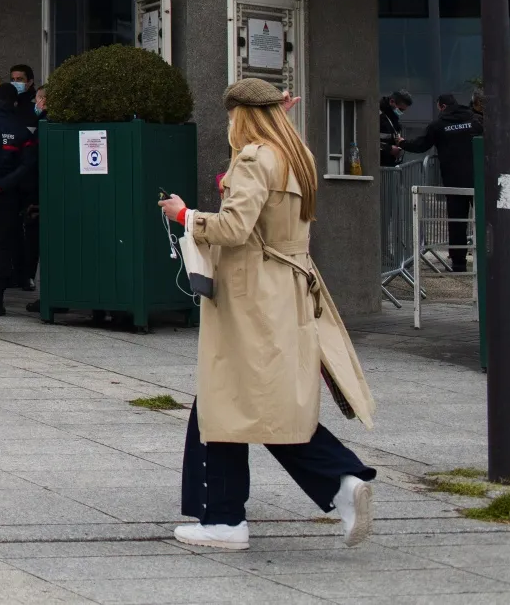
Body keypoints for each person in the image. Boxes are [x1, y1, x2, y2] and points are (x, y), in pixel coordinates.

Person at [159, 76, 377, 551]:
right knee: (251, 401)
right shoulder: (297, 156)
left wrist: (185, 216)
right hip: (287, 288)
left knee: (228, 402)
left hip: (251, 292)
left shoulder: (255, 158)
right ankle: (331, 485)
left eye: (231, 116)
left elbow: (234, 228)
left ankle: (228, 519)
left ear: (241, 115)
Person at [400, 92, 482, 270]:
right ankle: (486, 262)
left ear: (442, 106)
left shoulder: (438, 125)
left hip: (454, 180)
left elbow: (421, 145)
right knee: (483, 219)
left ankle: (459, 264)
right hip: (480, 179)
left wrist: (402, 143)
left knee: (457, 223)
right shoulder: (475, 120)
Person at [0, 81, 38, 313]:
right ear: (15, 103)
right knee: (2, 246)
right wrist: (2, 185)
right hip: (7, 196)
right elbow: (27, 166)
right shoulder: (21, 130)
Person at [378, 91, 412, 167]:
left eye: (403, 110)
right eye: (400, 109)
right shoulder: (377, 115)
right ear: (392, 101)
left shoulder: (392, 116)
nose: (401, 112)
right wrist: (389, 149)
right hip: (378, 163)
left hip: (389, 163)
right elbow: (367, 140)